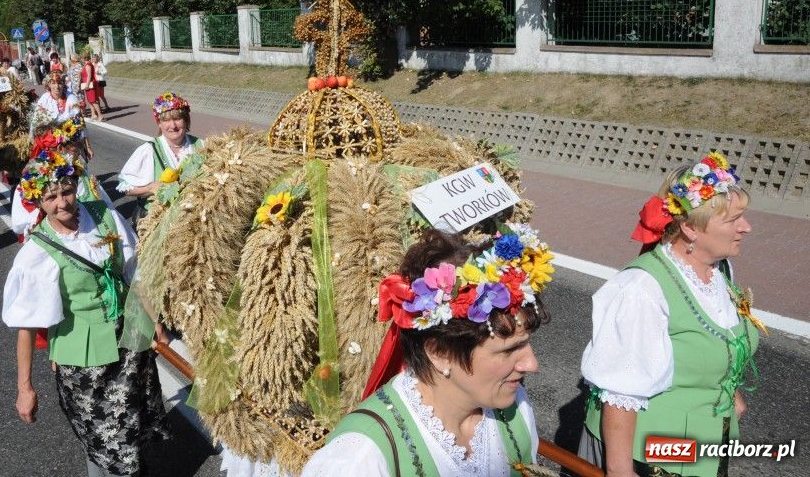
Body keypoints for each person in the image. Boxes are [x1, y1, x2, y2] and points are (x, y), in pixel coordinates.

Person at [303, 227, 553, 476]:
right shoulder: (360, 458)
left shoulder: (514, 406)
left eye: (525, 344)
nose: (531, 364)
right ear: (439, 353)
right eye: (508, 351)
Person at [579, 151, 765, 477]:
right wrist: (620, 470)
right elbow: (622, 389)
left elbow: (713, 339)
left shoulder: (720, 270)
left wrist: (727, 386)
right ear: (691, 230)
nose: (746, 227)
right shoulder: (642, 289)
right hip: (652, 456)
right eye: (733, 220)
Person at [2, 152, 170, 477]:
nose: (62, 203)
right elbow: (26, 325)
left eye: (66, 191)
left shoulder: (103, 215)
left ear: (75, 185)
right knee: (103, 440)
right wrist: (25, 387)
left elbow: (133, 271)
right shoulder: (36, 253)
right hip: (85, 365)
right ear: (38, 202)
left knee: (131, 428)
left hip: (130, 343)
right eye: (51, 197)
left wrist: (153, 319)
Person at [117, 92, 202, 223]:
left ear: (186, 120)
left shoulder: (202, 145)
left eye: (178, 119)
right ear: (159, 123)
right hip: (157, 222)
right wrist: (151, 188)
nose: (172, 126)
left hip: (196, 220)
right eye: (166, 120)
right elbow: (126, 188)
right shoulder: (148, 150)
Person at [30, 70, 95, 160]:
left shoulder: (72, 99)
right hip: (50, 145)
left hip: (71, 144)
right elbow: (36, 126)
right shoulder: (44, 100)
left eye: (60, 83)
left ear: (63, 84)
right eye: (53, 83)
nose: (57, 87)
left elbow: (81, 124)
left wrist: (88, 147)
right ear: (48, 85)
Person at [80, 54, 104, 122]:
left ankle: (100, 115)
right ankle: (93, 115)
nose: (80, 60)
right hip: (87, 83)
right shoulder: (87, 64)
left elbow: (89, 76)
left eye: (81, 58)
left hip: (90, 84)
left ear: (84, 58)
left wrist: (87, 85)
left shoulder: (88, 65)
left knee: (93, 100)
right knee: (90, 100)